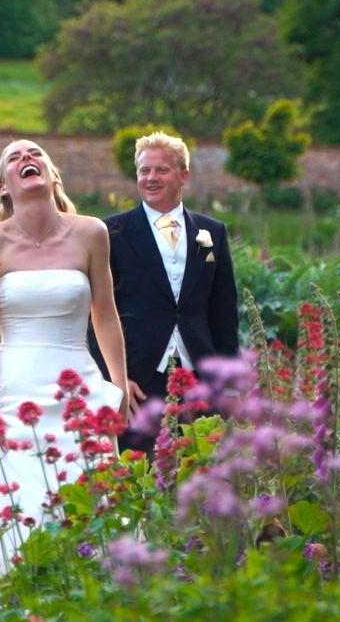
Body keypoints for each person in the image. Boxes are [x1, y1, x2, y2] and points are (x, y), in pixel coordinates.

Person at [0, 139, 129, 597]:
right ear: (4, 186)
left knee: (89, 507)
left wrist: (117, 389)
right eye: (14, 157)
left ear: (53, 174)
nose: (26, 158)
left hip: (79, 391)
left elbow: (105, 315)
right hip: (13, 390)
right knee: (12, 508)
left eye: (34, 152)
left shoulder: (91, 233)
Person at [93, 131, 239, 453]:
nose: (151, 178)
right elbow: (96, 313)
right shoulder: (111, 233)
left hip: (199, 378)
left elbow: (224, 313)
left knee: (199, 472)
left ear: (184, 175)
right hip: (137, 381)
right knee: (140, 477)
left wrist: (228, 385)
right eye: (144, 171)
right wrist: (113, 380)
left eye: (161, 170)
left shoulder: (211, 232)